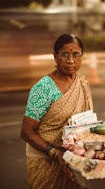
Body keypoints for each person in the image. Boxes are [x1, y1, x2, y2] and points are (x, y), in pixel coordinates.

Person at [21, 33, 93, 189]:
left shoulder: (82, 82)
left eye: (76, 55)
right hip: (45, 160)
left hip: (75, 159)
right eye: (64, 55)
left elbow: (87, 120)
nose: (70, 61)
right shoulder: (43, 88)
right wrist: (56, 153)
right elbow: (26, 132)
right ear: (55, 56)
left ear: (81, 57)